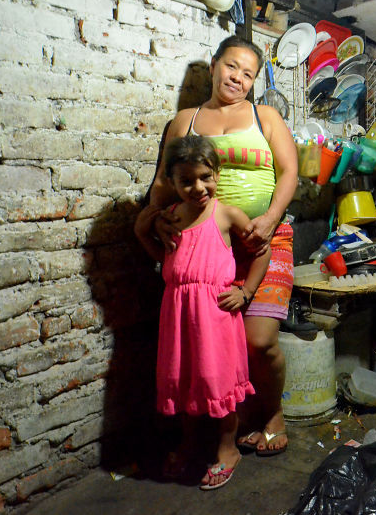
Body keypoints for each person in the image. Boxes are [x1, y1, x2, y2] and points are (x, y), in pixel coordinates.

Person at [137, 35, 298, 458]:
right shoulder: (185, 120)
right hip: (207, 247)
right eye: (232, 67)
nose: (238, 78)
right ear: (213, 66)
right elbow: (162, 180)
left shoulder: (266, 117)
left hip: (264, 239)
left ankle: (272, 413)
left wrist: (269, 219)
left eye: (248, 74)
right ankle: (236, 415)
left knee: (259, 340)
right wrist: (152, 219)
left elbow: (289, 174)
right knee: (218, 342)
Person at [135, 135, 272, 490]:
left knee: (217, 383)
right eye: (186, 180)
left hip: (214, 317)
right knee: (184, 383)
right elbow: (162, 256)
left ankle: (228, 449)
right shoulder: (171, 217)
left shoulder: (226, 214)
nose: (198, 187)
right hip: (178, 315)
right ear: (173, 182)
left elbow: (261, 249)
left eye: (205, 177)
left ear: (217, 173)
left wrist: (246, 291)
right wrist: (143, 233)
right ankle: (189, 444)